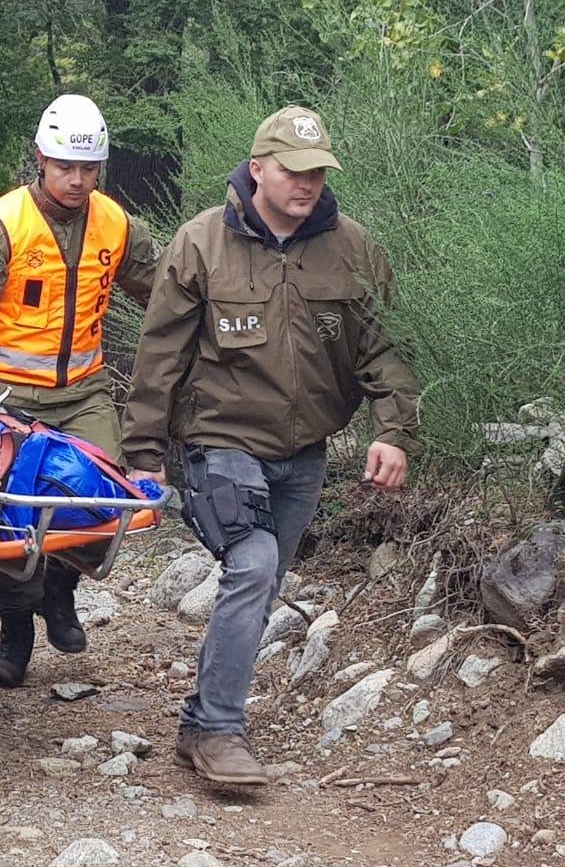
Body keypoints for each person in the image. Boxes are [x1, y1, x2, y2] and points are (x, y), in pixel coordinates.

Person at [121, 105, 420, 786]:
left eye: (318, 171)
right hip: (218, 441)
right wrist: (142, 454)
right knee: (252, 566)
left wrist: (395, 431)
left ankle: (198, 724)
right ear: (258, 169)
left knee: (263, 582)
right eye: (293, 170)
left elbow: (386, 350)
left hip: (305, 451)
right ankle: (223, 732)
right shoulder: (200, 244)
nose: (307, 183)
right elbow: (158, 356)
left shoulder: (355, 248)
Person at [0, 93, 158, 688]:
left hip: (82, 392)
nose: (78, 180)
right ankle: (15, 628)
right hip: (6, 398)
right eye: (66, 167)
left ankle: (61, 590)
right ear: (41, 158)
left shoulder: (115, 223)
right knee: (10, 519)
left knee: (99, 500)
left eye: (89, 169)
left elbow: (161, 289)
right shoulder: (0, 226)